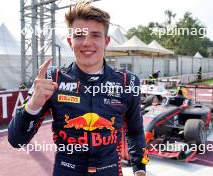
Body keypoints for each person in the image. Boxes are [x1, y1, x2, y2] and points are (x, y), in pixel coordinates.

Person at [8, 1, 147, 176]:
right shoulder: (52, 78)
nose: (87, 43)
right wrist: (32, 106)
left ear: (106, 41)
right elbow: (15, 140)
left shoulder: (128, 81)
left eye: (95, 35)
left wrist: (140, 169)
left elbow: (135, 132)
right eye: (79, 35)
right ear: (70, 41)